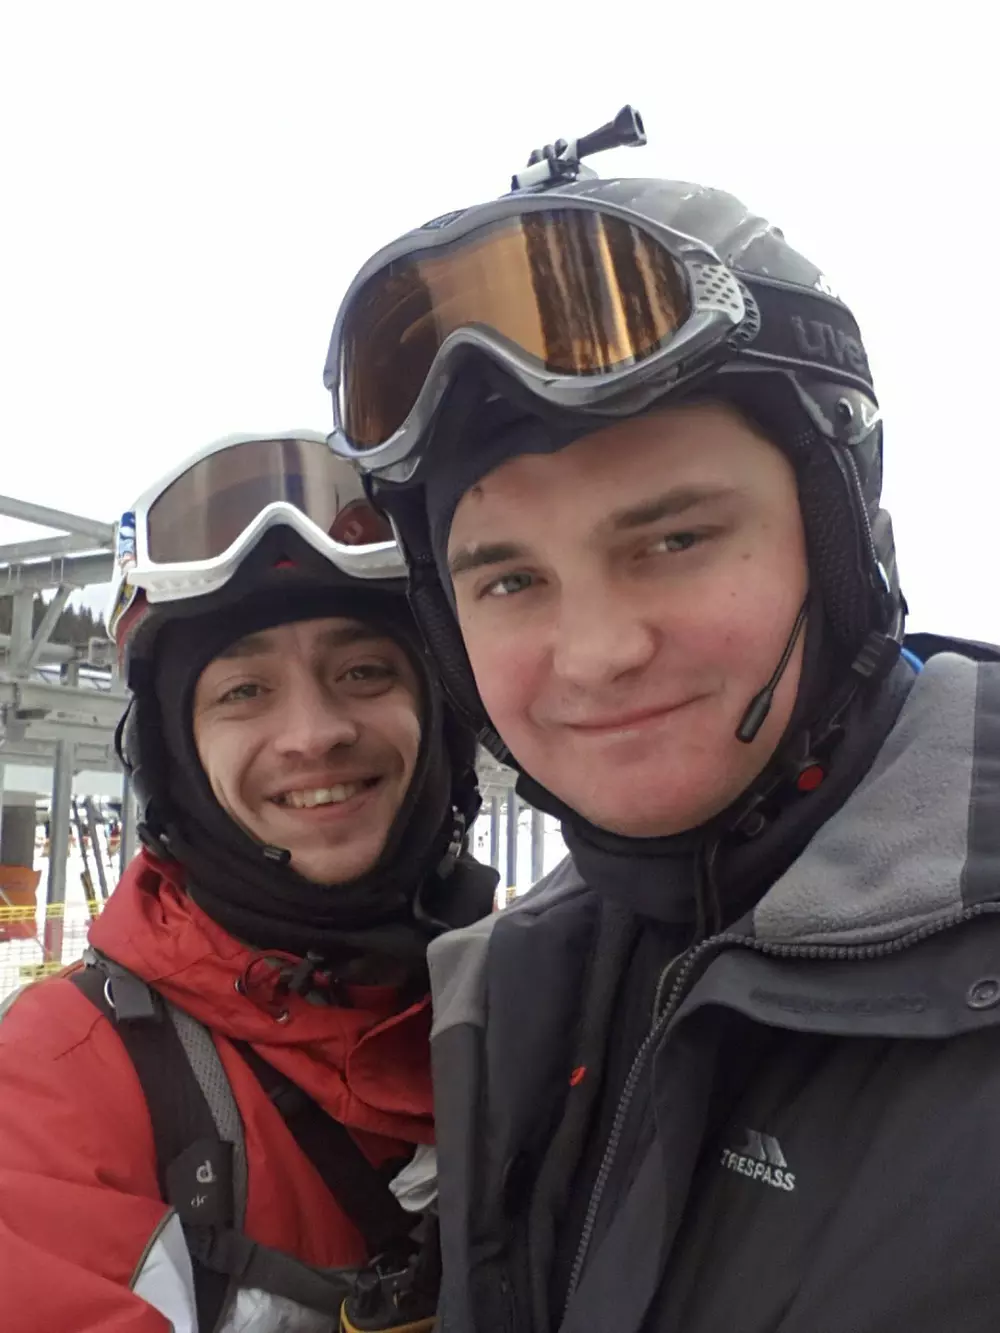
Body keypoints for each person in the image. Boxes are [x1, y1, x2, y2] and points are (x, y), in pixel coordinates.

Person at [322, 114, 1000, 1333]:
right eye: (509, 579)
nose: (596, 652)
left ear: (839, 538)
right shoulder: (508, 983)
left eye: (674, 538)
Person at [0, 431, 495, 1333]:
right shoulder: (59, 1081)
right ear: (174, 758)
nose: (314, 732)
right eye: (243, 691)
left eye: (363, 671)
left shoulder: (559, 1003)